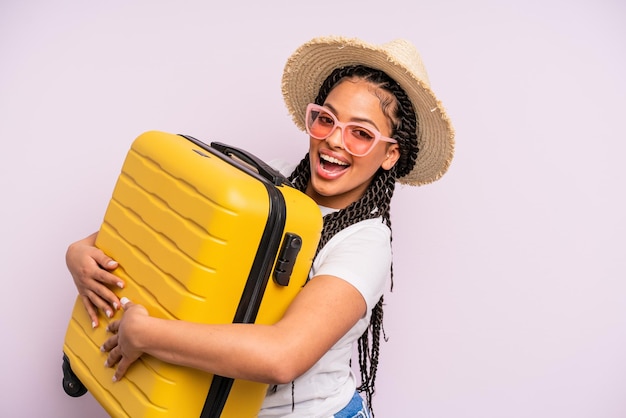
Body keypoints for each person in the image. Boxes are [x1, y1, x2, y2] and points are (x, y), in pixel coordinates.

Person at [66, 36, 454, 417]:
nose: (335, 140)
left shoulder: (366, 243)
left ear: (390, 154)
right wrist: (82, 253)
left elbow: (282, 357)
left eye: (361, 133)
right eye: (326, 119)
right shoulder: (272, 182)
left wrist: (146, 336)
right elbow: (174, 235)